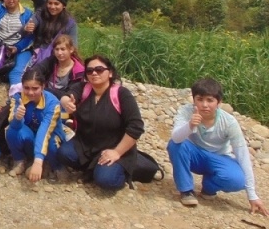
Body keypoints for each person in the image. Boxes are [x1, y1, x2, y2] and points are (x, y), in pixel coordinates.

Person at [167, 77, 268, 215]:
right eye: (200, 99)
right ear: (194, 100)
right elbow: (176, 138)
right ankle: (186, 190)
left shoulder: (229, 122)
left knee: (237, 179)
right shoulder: (186, 112)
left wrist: (252, 195)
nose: (204, 105)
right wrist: (190, 125)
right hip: (193, 154)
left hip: (218, 158)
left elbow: (242, 154)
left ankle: (209, 187)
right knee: (175, 145)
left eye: (210, 100)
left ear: (219, 102)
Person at [57, 55, 144, 191]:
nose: (94, 73)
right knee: (63, 153)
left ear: (110, 73)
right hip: (86, 145)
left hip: (114, 147)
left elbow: (136, 127)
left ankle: (120, 169)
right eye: (90, 71)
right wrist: (65, 100)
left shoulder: (121, 94)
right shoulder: (83, 88)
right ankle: (94, 168)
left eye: (99, 69)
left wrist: (117, 152)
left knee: (106, 180)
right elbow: (68, 94)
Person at [5, 69, 66, 182]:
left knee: (52, 142)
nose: (30, 92)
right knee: (11, 130)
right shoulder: (18, 98)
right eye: (26, 88)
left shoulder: (52, 103)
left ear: (43, 87)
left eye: (35, 88)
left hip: (49, 137)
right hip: (31, 136)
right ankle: (20, 160)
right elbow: (12, 125)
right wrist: (17, 118)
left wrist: (38, 161)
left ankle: (55, 166)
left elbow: (45, 131)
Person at [25, 0, 77, 67]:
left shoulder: (70, 23)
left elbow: (74, 46)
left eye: (56, 4)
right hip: (37, 53)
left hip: (58, 55)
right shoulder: (40, 14)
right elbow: (28, 27)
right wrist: (27, 28)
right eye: (50, 3)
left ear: (63, 5)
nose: (52, 7)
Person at [33, 34, 84, 100]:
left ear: (71, 50)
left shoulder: (78, 71)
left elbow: (71, 94)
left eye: (63, 49)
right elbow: (36, 69)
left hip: (64, 102)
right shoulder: (51, 61)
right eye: (57, 49)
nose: (59, 53)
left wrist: (45, 91)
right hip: (44, 97)